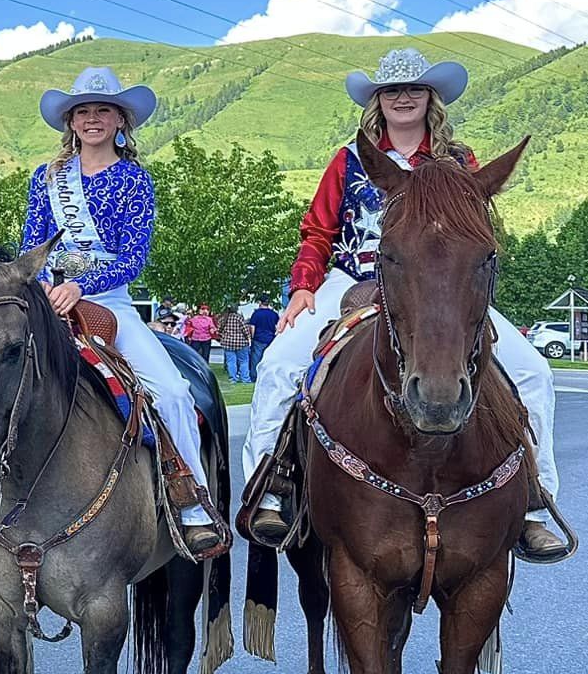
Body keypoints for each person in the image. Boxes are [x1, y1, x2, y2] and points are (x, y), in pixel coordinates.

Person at [243, 47, 568, 562]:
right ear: (378, 100)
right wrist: (304, 286)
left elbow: (475, 237)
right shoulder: (350, 161)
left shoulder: (459, 163)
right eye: (391, 90)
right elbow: (318, 229)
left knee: (533, 371)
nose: (402, 98)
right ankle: (271, 484)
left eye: (413, 89)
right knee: (280, 362)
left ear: (429, 98)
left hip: (436, 286)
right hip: (353, 276)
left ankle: (533, 501)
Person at [23, 65, 225, 555]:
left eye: (102, 111)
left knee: (174, 393)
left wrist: (82, 285)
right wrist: (47, 285)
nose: (92, 119)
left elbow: (133, 255)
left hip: (108, 301)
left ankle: (192, 503)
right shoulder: (45, 178)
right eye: (83, 111)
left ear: (120, 121)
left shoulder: (134, 179)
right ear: (70, 121)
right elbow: (32, 243)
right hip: (48, 297)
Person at [217, 304, 254, 384]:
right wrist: (248, 338)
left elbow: (219, 330)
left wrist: (223, 336)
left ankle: (233, 379)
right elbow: (245, 330)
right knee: (244, 361)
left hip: (228, 343)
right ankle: (245, 379)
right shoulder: (239, 317)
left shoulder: (223, 319)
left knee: (231, 362)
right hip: (241, 343)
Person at [248, 297, 280, 373]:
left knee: (256, 359)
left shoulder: (256, 314)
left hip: (258, 339)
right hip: (270, 339)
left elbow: (252, 327)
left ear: (260, 302)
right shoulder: (274, 314)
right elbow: (277, 327)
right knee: (269, 359)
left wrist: (252, 337)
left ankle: (254, 376)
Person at [181, 302, 217, 366]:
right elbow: (188, 323)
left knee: (199, 354)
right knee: (200, 354)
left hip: (201, 339)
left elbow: (212, 327)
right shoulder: (197, 318)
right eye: (203, 309)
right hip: (200, 339)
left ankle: (199, 366)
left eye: (207, 309)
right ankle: (200, 366)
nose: (205, 311)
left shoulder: (207, 319)